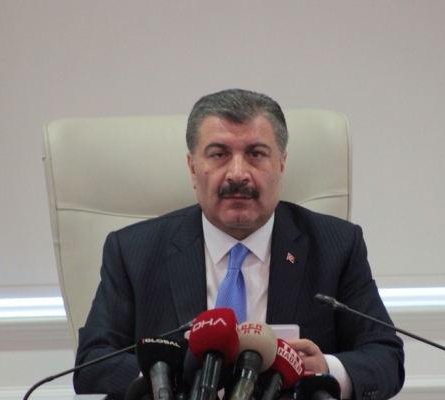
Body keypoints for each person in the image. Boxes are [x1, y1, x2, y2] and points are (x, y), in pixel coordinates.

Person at [73, 89, 404, 399]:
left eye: (256, 154)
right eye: (219, 154)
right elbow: (92, 362)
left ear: (281, 164)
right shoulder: (133, 251)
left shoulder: (336, 246)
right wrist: (172, 375)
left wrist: (325, 369)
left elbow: (385, 356)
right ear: (192, 168)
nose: (237, 173)